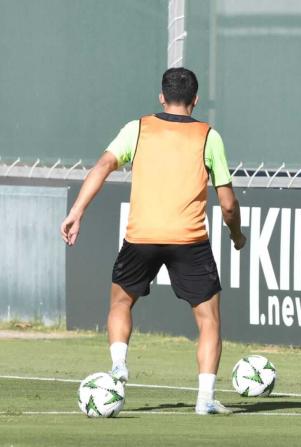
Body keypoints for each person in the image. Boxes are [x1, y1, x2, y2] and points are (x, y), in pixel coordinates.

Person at [60, 67, 245, 414]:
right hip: (189, 240)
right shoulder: (209, 136)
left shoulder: (138, 128)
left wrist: (77, 211)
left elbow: (102, 165)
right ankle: (205, 398)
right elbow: (228, 204)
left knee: (120, 303)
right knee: (209, 320)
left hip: (141, 236)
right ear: (195, 99)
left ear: (161, 96)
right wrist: (237, 236)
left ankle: (119, 365)